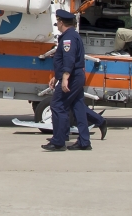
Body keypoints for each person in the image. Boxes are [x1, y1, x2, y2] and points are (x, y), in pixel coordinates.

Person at [44, 9, 107, 151]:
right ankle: (84, 141)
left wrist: (65, 78)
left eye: (58, 22)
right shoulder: (72, 35)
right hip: (75, 75)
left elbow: (69, 59)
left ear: (61, 22)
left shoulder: (68, 38)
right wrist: (57, 76)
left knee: (57, 105)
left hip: (72, 76)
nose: (57, 25)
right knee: (78, 108)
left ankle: (58, 141)